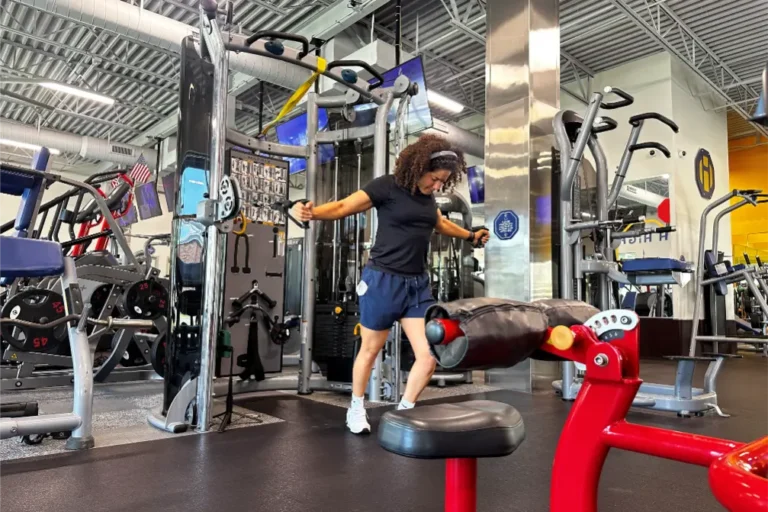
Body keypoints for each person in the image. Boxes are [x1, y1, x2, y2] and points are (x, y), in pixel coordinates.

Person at [296, 134, 490, 434]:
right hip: (382, 280)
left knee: (428, 356)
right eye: (435, 179)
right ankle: (357, 408)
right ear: (419, 166)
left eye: (443, 182)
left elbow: (439, 224)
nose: (438, 186)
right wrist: (311, 212)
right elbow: (344, 207)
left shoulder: (427, 199)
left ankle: (404, 413)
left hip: (417, 286)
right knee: (370, 351)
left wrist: (470, 235)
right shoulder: (387, 186)